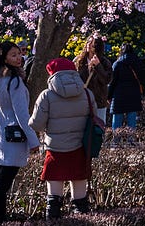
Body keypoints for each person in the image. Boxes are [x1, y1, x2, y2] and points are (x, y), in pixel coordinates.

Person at [29, 56, 97, 217]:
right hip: (81, 148)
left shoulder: (46, 95)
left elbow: (36, 125)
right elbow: (94, 119)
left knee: (53, 199)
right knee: (80, 199)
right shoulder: (87, 94)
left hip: (55, 149)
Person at [0, 40, 39, 222]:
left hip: (0, 135)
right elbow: (22, 115)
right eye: (13, 55)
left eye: (19, 54)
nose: (19, 58)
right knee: (3, 184)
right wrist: (34, 141)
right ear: (4, 58)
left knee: (0, 182)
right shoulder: (15, 81)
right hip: (13, 138)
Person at [108, 45, 143, 147]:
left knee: (117, 118)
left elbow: (112, 82)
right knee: (131, 118)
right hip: (134, 94)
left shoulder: (117, 64)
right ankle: (130, 140)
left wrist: (109, 96)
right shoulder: (137, 63)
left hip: (119, 95)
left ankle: (116, 140)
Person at [75, 36, 112, 127]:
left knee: (98, 128)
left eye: (93, 43)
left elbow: (106, 80)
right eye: (88, 42)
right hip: (82, 100)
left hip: (98, 101)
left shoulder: (104, 62)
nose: (89, 45)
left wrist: (98, 65)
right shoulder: (79, 61)